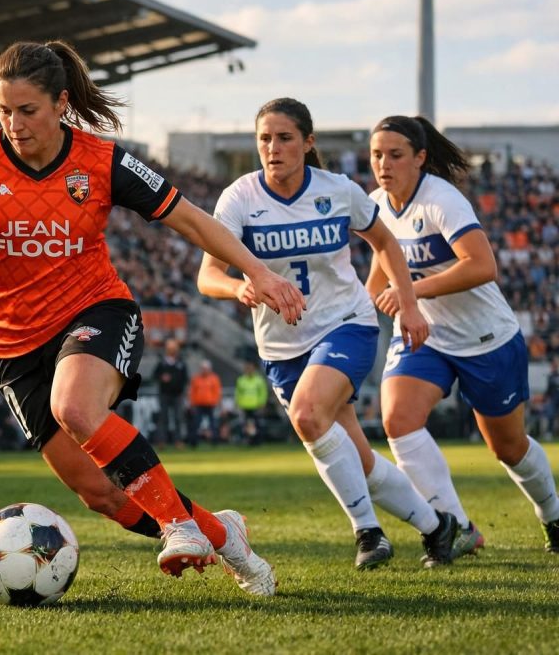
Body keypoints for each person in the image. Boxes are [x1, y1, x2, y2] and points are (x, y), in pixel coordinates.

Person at [0, 40, 309, 597]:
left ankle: (178, 525)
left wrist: (258, 272)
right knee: (104, 496)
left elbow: (190, 220)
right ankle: (225, 535)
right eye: (4, 110)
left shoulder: (102, 161)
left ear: (61, 104)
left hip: (95, 310)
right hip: (13, 346)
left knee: (74, 406)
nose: (14, 124)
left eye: (28, 110)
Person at [198, 97, 457, 570]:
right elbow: (207, 275)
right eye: (264, 139)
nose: (273, 148)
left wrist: (410, 302)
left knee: (308, 414)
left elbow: (385, 243)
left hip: (346, 325)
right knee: (357, 458)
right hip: (282, 348)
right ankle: (439, 527)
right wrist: (239, 288)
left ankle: (369, 533)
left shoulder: (337, 189)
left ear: (307, 142)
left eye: (284, 138)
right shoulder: (239, 198)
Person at [366, 114, 559, 556]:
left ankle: (552, 513)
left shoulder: (442, 199)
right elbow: (381, 269)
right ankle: (457, 528)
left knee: (508, 448)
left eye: (395, 155)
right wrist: (355, 306)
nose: (383, 164)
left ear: (420, 157)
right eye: (376, 155)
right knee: (398, 420)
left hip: (485, 338)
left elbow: (482, 265)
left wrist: (409, 292)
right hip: (425, 337)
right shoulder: (376, 204)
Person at [152, 338, 189, 447]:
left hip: (178, 394)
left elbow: (185, 378)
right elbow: (154, 376)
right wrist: (162, 378)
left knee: (178, 418)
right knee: (163, 418)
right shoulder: (162, 363)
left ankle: (178, 441)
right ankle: (162, 441)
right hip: (164, 394)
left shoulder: (181, 363)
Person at [188, 359, 221, 447]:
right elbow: (192, 392)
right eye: (203, 368)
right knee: (196, 423)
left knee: (213, 424)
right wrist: (192, 403)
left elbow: (217, 391)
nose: (204, 370)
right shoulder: (196, 379)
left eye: (206, 368)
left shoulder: (214, 378)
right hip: (199, 404)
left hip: (211, 404)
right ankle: (193, 442)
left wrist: (217, 402)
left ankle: (215, 441)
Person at [234, 360, 268, 445]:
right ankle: (248, 439)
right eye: (247, 369)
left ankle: (257, 440)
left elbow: (263, 392)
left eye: (251, 368)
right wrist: (237, 403)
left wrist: (262, 403)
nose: (249, 370)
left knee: (256, 424)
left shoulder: (258, 380)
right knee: (246, 424)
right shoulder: (241, 380)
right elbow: (238, 393)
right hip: (245, 405)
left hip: (256, 405)